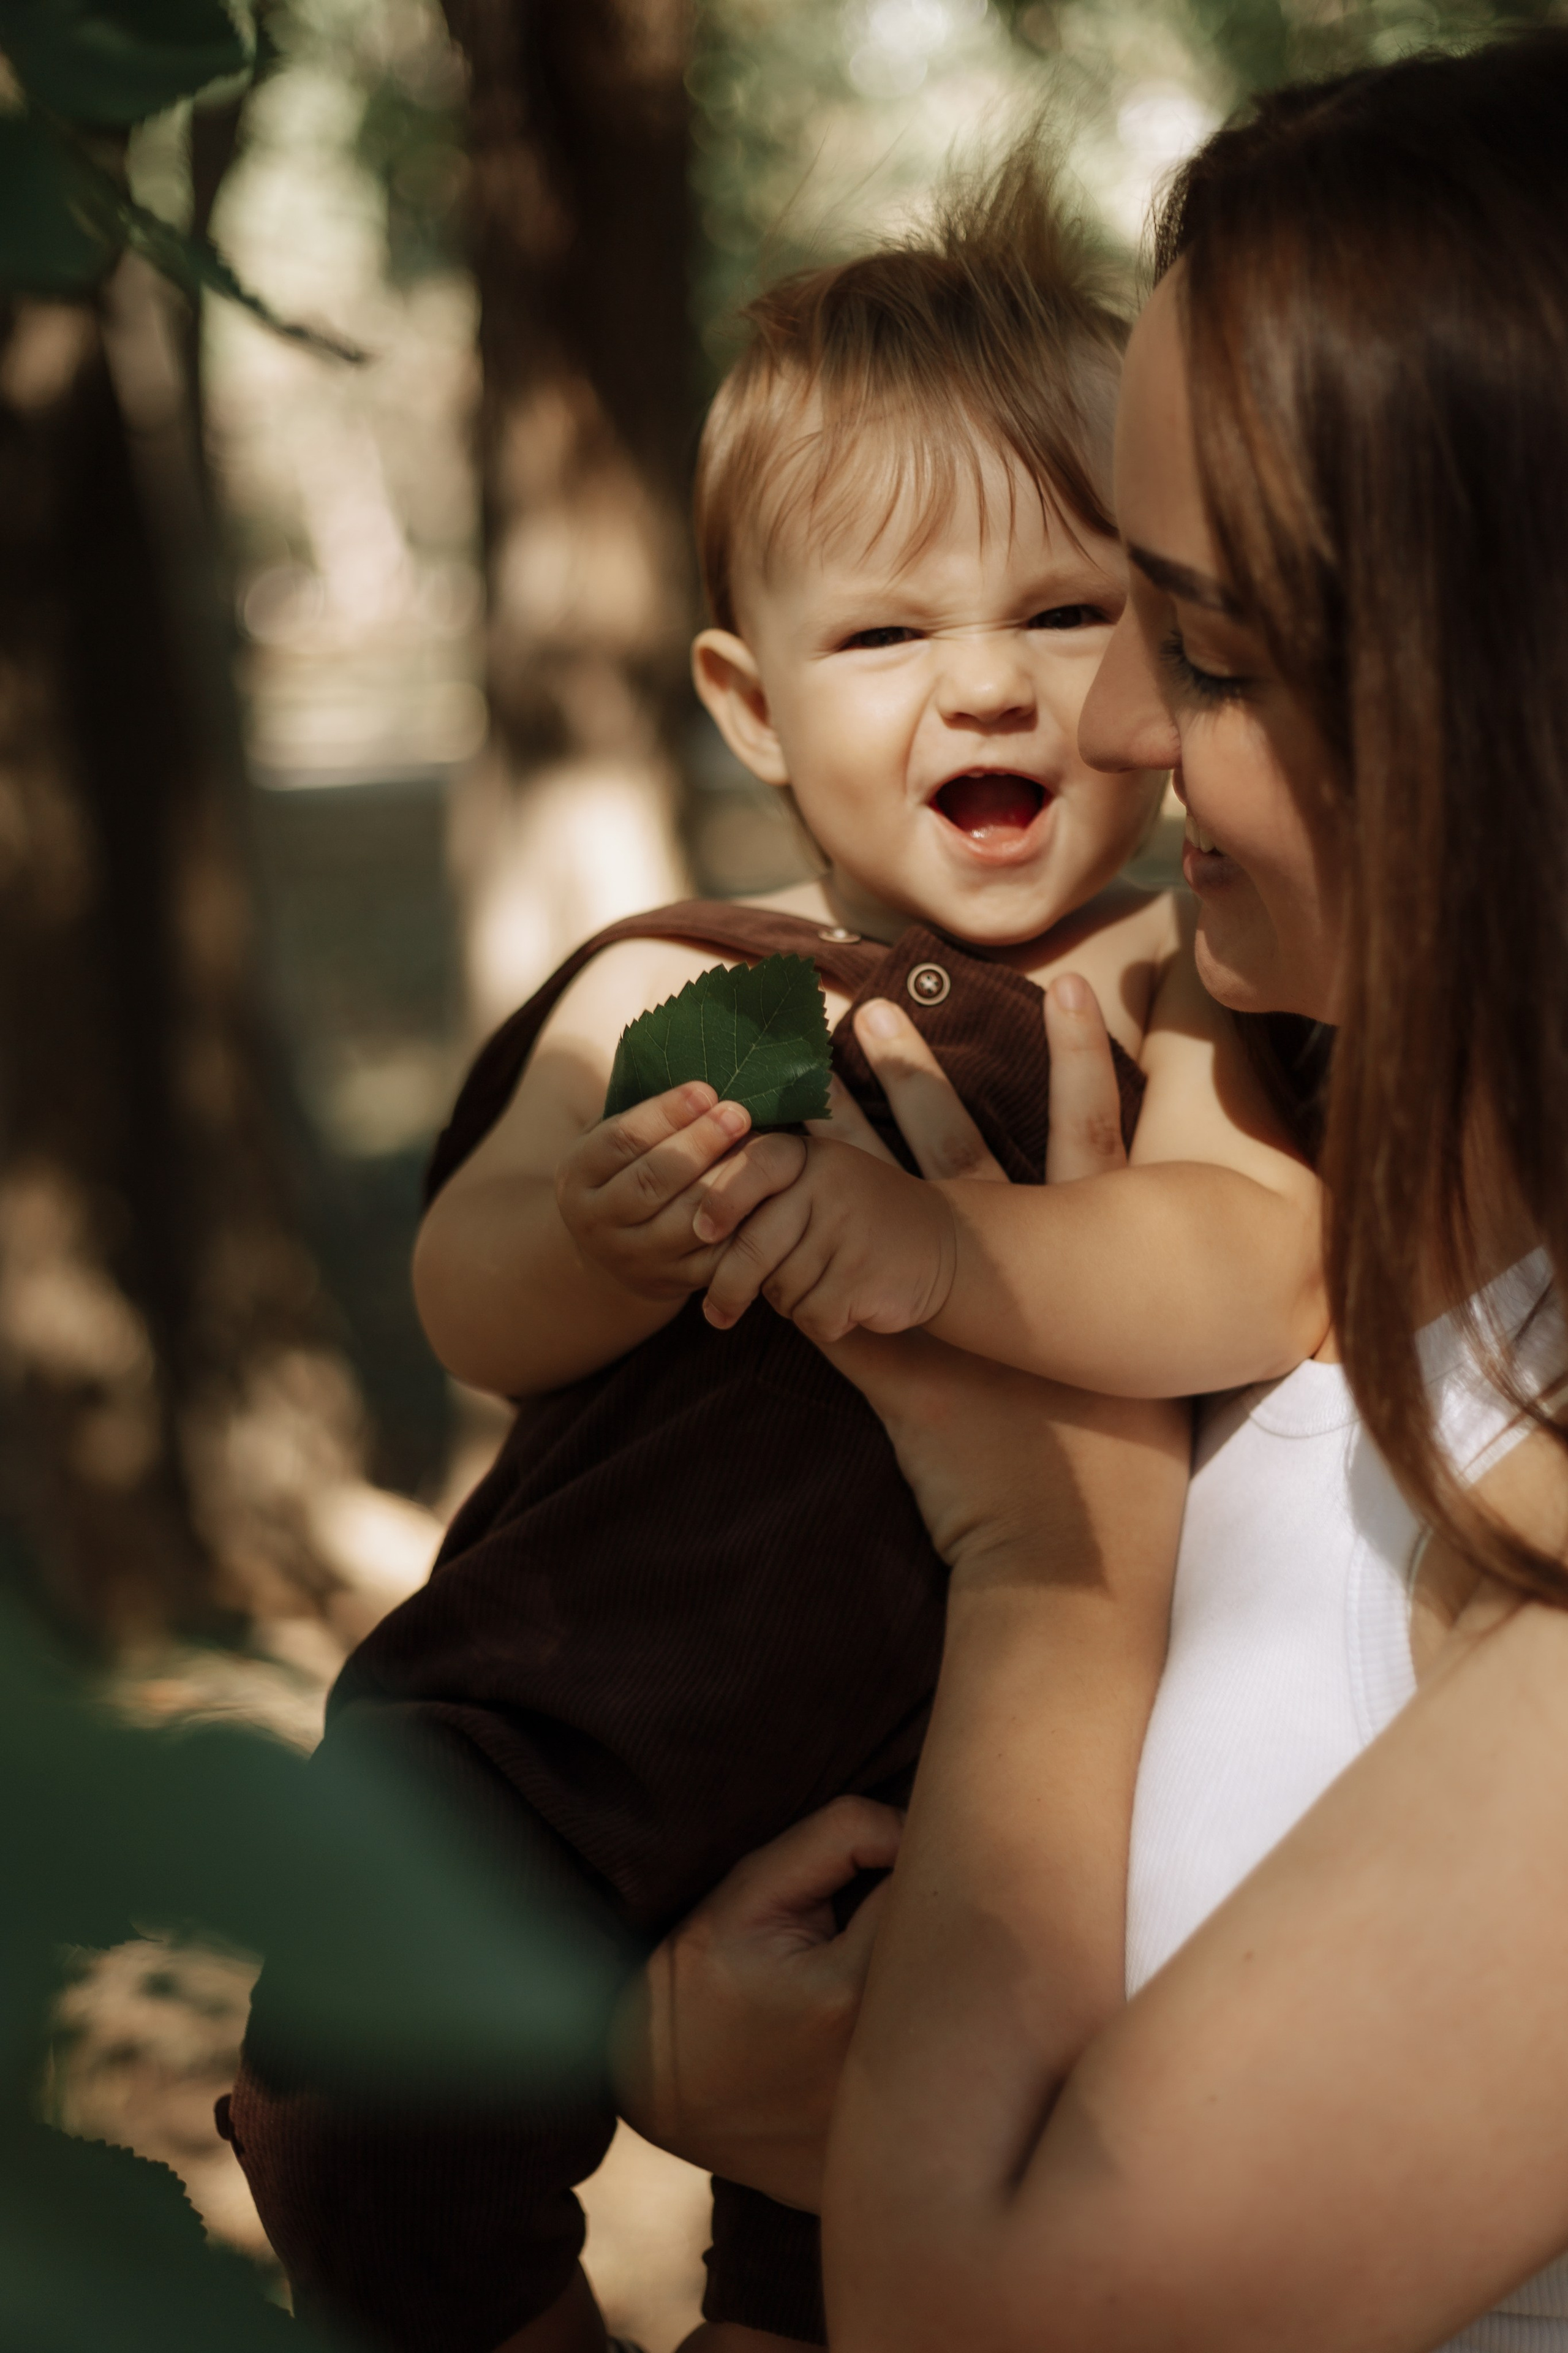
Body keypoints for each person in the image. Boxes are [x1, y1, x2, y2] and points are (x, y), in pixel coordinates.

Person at [226, 148, 1325, 2353]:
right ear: (750, 706)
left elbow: (1249, 1261)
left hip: (954, 1792)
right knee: (371, 2114)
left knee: (869, 2246)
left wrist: (950, 1255)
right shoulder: (698, 986)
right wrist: (614, 1232)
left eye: (1067, 611)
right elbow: (471, 1298)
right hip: (574, 1709)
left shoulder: (1175, 988)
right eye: (893, 635)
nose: (992, 690)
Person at [612, 33, 1568, 2352]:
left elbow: (985, 2316)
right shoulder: (1284, 1103)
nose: (1109, 723)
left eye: (1207, 647)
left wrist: (1052, 1542)